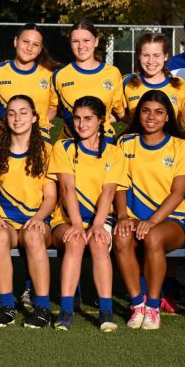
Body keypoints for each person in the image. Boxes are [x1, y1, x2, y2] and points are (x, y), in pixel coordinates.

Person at [113, 90, 185, 331]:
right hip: (132, 216)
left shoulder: (180, 146)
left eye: (159, 112)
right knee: (121, 236)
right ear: (138, 114)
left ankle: (153, 306)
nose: (151, 117)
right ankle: (137, 304)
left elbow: (178, 193)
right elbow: (118, 184)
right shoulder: (125, 143)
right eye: (146, 111)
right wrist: (122, 216)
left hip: (171, 220)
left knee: (152, 237)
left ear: (168, 117)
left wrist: (152, 221)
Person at [48, 96, 124, 331]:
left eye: (88, 119)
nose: (82, 125)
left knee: (99, 242)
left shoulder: (114, 152)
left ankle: (106, 311)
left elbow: (109, 191)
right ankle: (66, 310)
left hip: (101, 218)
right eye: (77, 118)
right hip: (67, 218)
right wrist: (77, 224)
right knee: (75, 241)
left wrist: (98, 225)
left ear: (101, 120)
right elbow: (67, 188)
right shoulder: (63, 147)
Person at [0, 95, 58, 328]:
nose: (17, 118)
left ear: (35, 118)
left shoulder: (47, 151)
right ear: (5, 119)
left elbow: (50, 196)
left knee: (34, 236)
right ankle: (7, 306)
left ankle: (42, 308)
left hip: (36, 220)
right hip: (6, 221)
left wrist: (38, 218)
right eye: (12, 113)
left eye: (23, 112)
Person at [52, 21, 125, 137]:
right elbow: (52, 110)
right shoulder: (59, 75)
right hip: (70, 142)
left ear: (96, 41)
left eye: (86, 40)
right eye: (75, 41)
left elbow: (120, 112)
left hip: (104, 142)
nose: (81, 46)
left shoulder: (113, 73)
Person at [0, 24, 61, 131]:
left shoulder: (50, 75)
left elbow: (53, 108)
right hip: (5, 136)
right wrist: (3, 120)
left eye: (35, 44)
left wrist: (40, 123)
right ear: (16, 41)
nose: (29, 48)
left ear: (40, 49)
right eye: (25, 41)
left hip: (38, 136)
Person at [119, 32, 185, 122]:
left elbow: (182, 119)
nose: (151, 61)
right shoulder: (128, 82)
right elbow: (117, 113)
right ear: (139, 56)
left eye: (156, 55)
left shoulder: (179, 84)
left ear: (165, 56)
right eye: (145, 55)